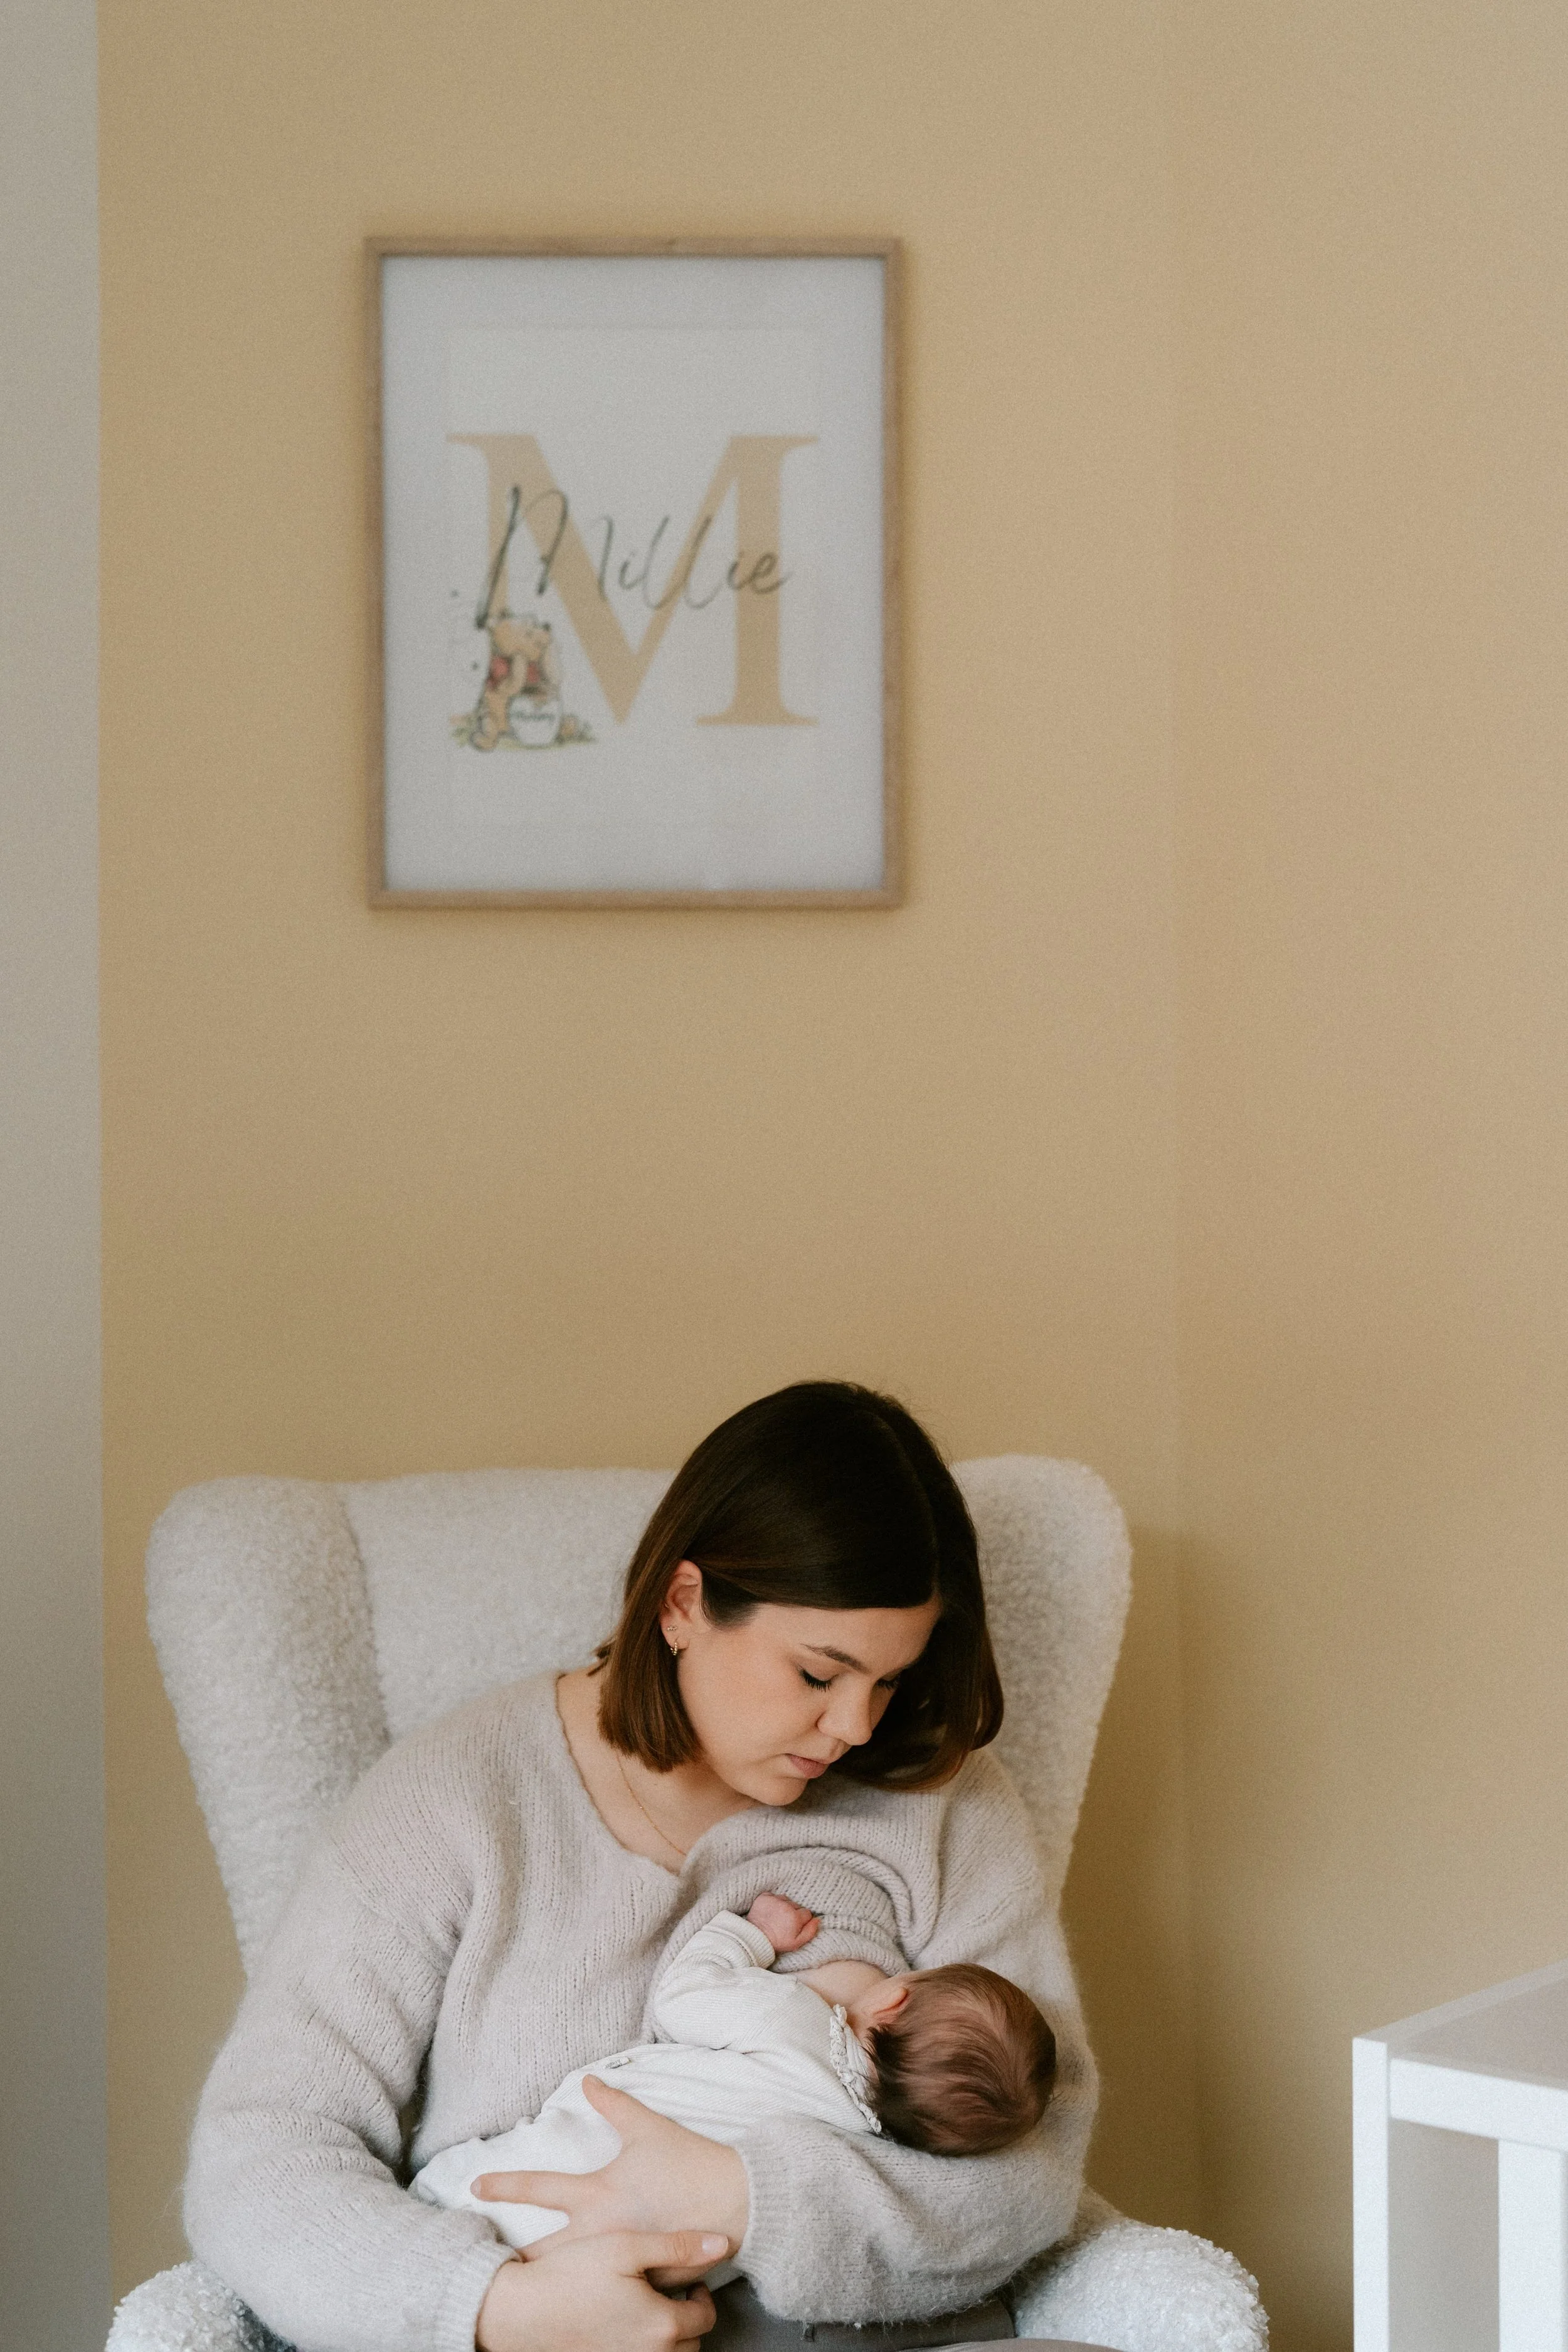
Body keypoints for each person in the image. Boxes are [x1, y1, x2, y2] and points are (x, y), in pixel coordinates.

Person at [184, 1382, 1097, 2352]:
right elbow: (262, 2151)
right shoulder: (452, 1805)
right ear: (683, 1602)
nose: (857, 1726)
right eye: (819, 1674)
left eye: (893, 1678)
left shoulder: (941, 1799)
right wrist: (494, 2306)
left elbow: (1034, 2164)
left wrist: (748, 2200)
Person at [411, 1888, 1057, 2261]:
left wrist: (751, 1936)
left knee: (450, 2203)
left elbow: (683, 1997)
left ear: (893, 1999)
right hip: (617, 2264)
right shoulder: (849, 2152)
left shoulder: (794, 2021)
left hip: (541, 2172)